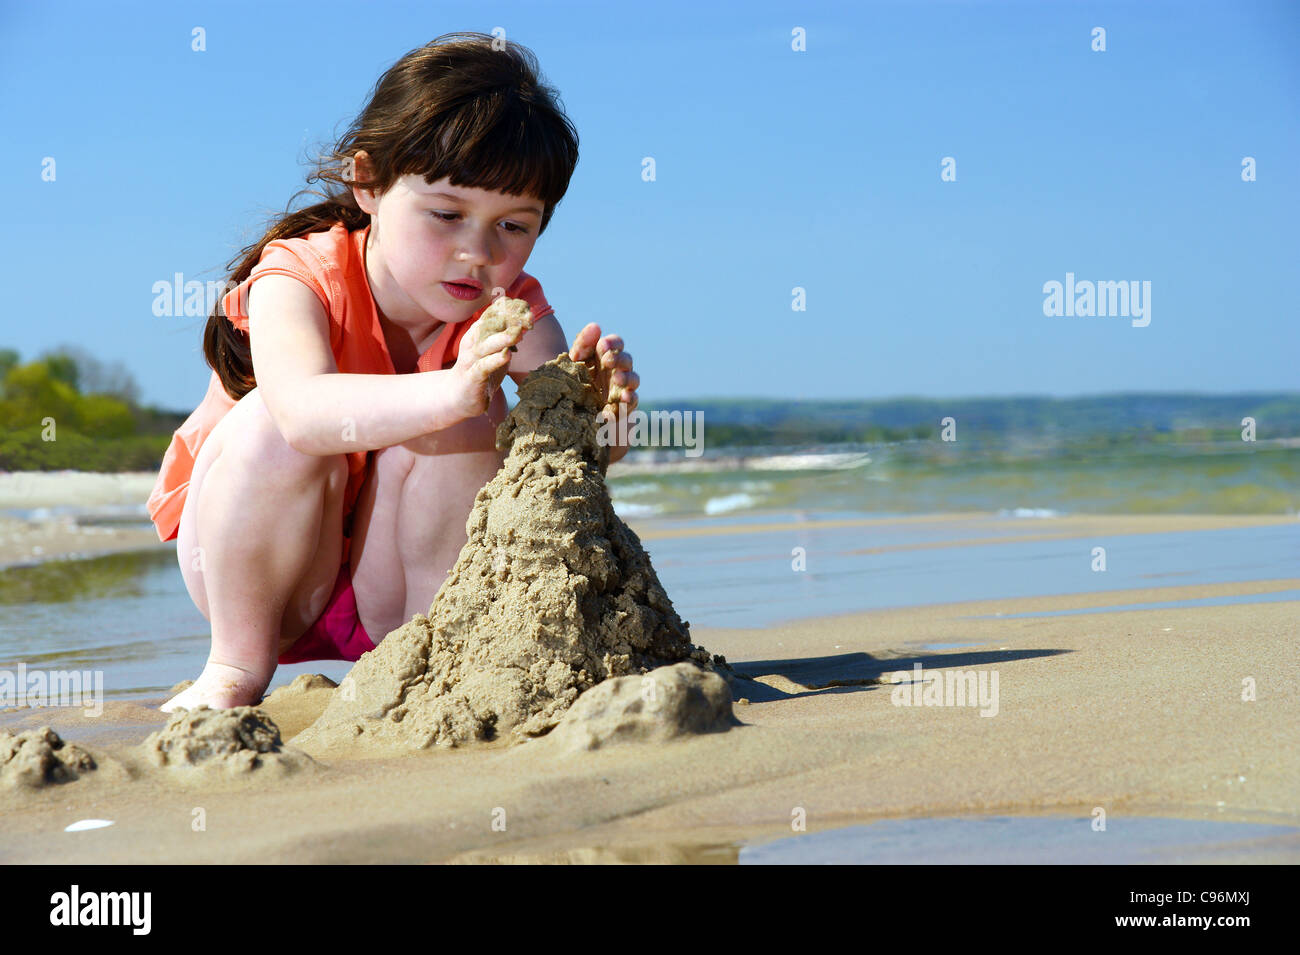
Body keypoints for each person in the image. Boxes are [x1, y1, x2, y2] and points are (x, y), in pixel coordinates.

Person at [147, 33, 638, 712]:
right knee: (269, 419)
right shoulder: (301, 273)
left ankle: (420, 653)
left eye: (514, 226)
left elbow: (564, 465)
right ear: (368, 181)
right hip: (266, 566)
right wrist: (450, 387)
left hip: (396, 582)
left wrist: (599, 416)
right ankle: (234, 666)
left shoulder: (511, 304)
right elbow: (299, 412)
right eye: (447, 214)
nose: (477, 252)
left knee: (482, 417)